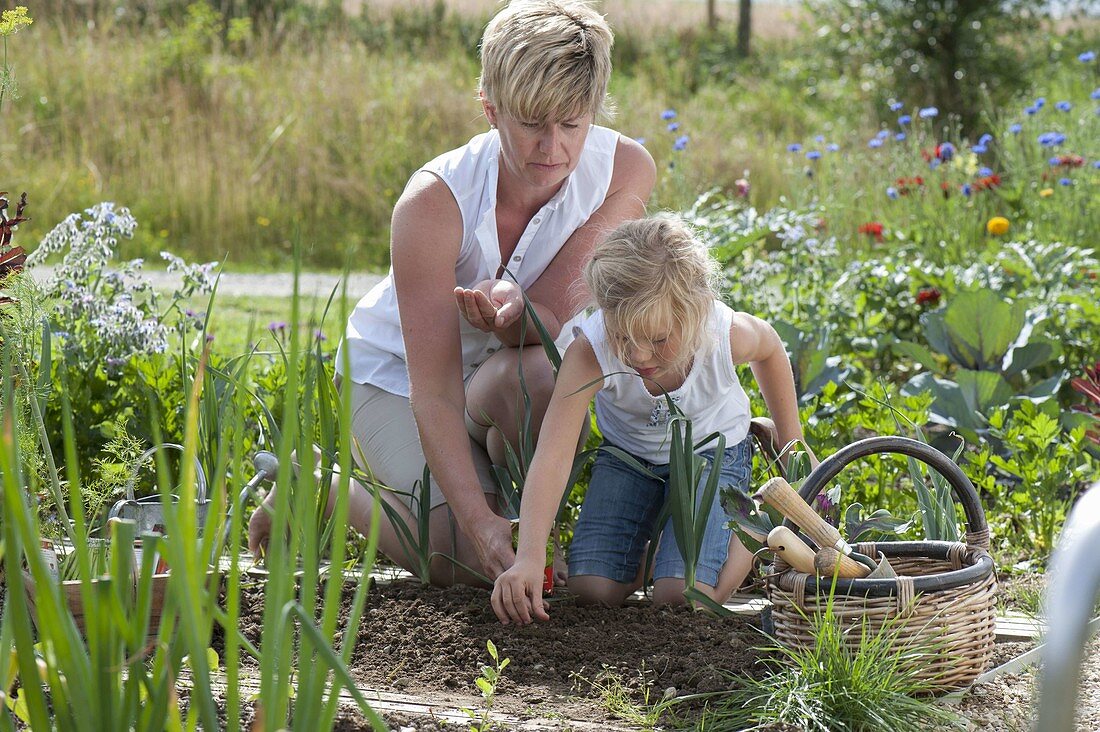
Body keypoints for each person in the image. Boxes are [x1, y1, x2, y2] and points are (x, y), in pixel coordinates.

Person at [248, 0, 656, 585]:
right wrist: (477, 523)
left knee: (542, 377)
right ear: (491, 111)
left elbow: (542, 322)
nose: (553, 148)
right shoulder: (432, 203)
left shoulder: (625, 171)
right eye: (531, 122)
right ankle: (318, 489)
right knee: (461, 563)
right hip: (394, 378)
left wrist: (512, 311)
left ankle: (513, 520)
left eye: (572, 123)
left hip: (499, 377)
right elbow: (433, 390)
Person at [491, 215, 814, 625]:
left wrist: (792, 445)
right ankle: (665, 550)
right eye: (624, 338)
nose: (640, 356)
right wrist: (530, 557)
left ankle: (752, 526)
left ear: (694, 313)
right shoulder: (591, 353)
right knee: (592, 590)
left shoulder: (721, 334)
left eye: (660, 340)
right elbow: (553, 456)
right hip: (630, 460)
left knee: (684, 598)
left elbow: (769, 347)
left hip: (712, 456)